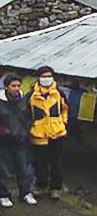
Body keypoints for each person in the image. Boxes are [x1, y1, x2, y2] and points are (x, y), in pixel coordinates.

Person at [28, 66, 68, 200]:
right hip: (38, 134)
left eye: (49, 76)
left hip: (57, 133)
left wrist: (63, 123)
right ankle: (41, 185)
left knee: (57, 162)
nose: (46, 79)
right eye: (43, 76)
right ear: (38, 78)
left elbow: (65, 109)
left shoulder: (59, 93)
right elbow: (26, 113)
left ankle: (56, 188)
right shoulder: (31, 95)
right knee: (40, 163)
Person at [0, 75, 36, 207]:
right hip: (3, 142)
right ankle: (3, 195)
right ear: (6, 87)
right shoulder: (1, 102)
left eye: (18, 86)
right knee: (2, 170)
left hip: (20, 140)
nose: (16, 88)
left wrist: (27, 130)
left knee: (23, 168)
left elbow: (28, 117)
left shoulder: (23, 101)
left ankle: (25, 193)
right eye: (13, 86)